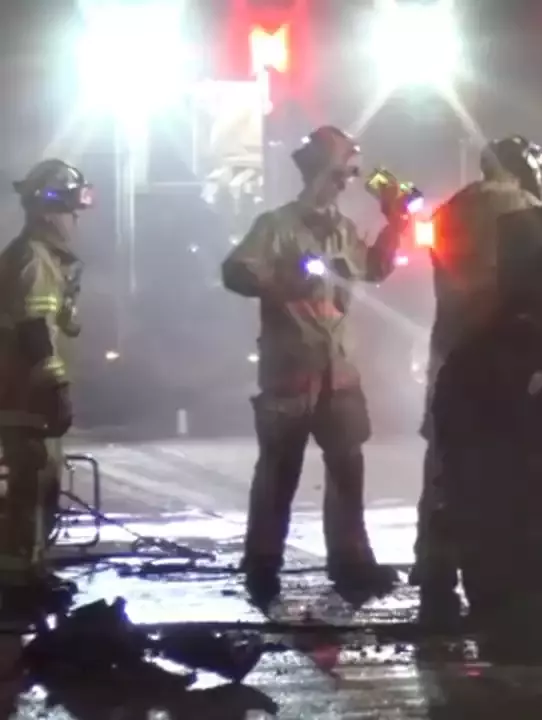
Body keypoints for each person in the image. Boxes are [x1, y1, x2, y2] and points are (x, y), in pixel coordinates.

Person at [222, 125, 408, 607]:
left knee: (348, 468)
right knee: (278, 473)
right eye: (342, 172)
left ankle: (352, 565)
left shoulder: (344, 230)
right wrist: (287, 280)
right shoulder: (276, 226)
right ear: (322, 170)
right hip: (290, 373)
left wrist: (396, 221)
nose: (346, 182)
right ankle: (262, 567)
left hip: (338, 373)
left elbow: (377, 268)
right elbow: (236, 271)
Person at [409, 135, 542, 631]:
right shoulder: (527, 209)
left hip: (450, 354)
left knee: (443, 467)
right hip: (505, 359)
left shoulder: (449, 211)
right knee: (506, 471)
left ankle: (435, 574)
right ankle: (503, 578)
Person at [0, 159, 92, 605]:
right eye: (72, 212)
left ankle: (30, 570)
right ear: (48, 210)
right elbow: (34, 329)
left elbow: (59, 325)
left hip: (27, 394)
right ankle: (19, 583)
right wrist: (55, 387)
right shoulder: (32, 258)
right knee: (30, 487)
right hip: (25, 394)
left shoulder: (44, 259)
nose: (75, 222)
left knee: (41, 485)